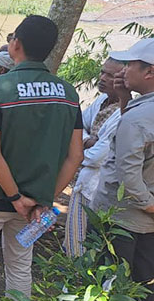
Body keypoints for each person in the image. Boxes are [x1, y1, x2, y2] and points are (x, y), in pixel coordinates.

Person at [0, 15, 84, 301]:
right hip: (34, 204)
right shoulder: (69, 94)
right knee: (20, 265)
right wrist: (44, 198)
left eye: (11, 38)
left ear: (16, 44)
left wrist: (14, 197)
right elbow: (75, 156)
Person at [90, 38, 154, 301]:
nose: (122, 71)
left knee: (110, 285)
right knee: (142, 283)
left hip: (120, 218)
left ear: (149, 72)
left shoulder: (139, 118)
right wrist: (125, 97)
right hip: (143, 220)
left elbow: (127, 173)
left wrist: (149, 204)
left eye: (129, 65)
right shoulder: (141, 109)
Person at [63, 58, 124, 257]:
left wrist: (77, 147)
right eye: (102, 72)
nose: (103, 78)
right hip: (84, 182)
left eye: (110, 75)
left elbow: (97, 158)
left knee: (91, 245)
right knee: (75, 241)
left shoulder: (123, 113)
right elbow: (74, 124)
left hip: (99, 187)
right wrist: (89, 139)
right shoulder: (101, 101)